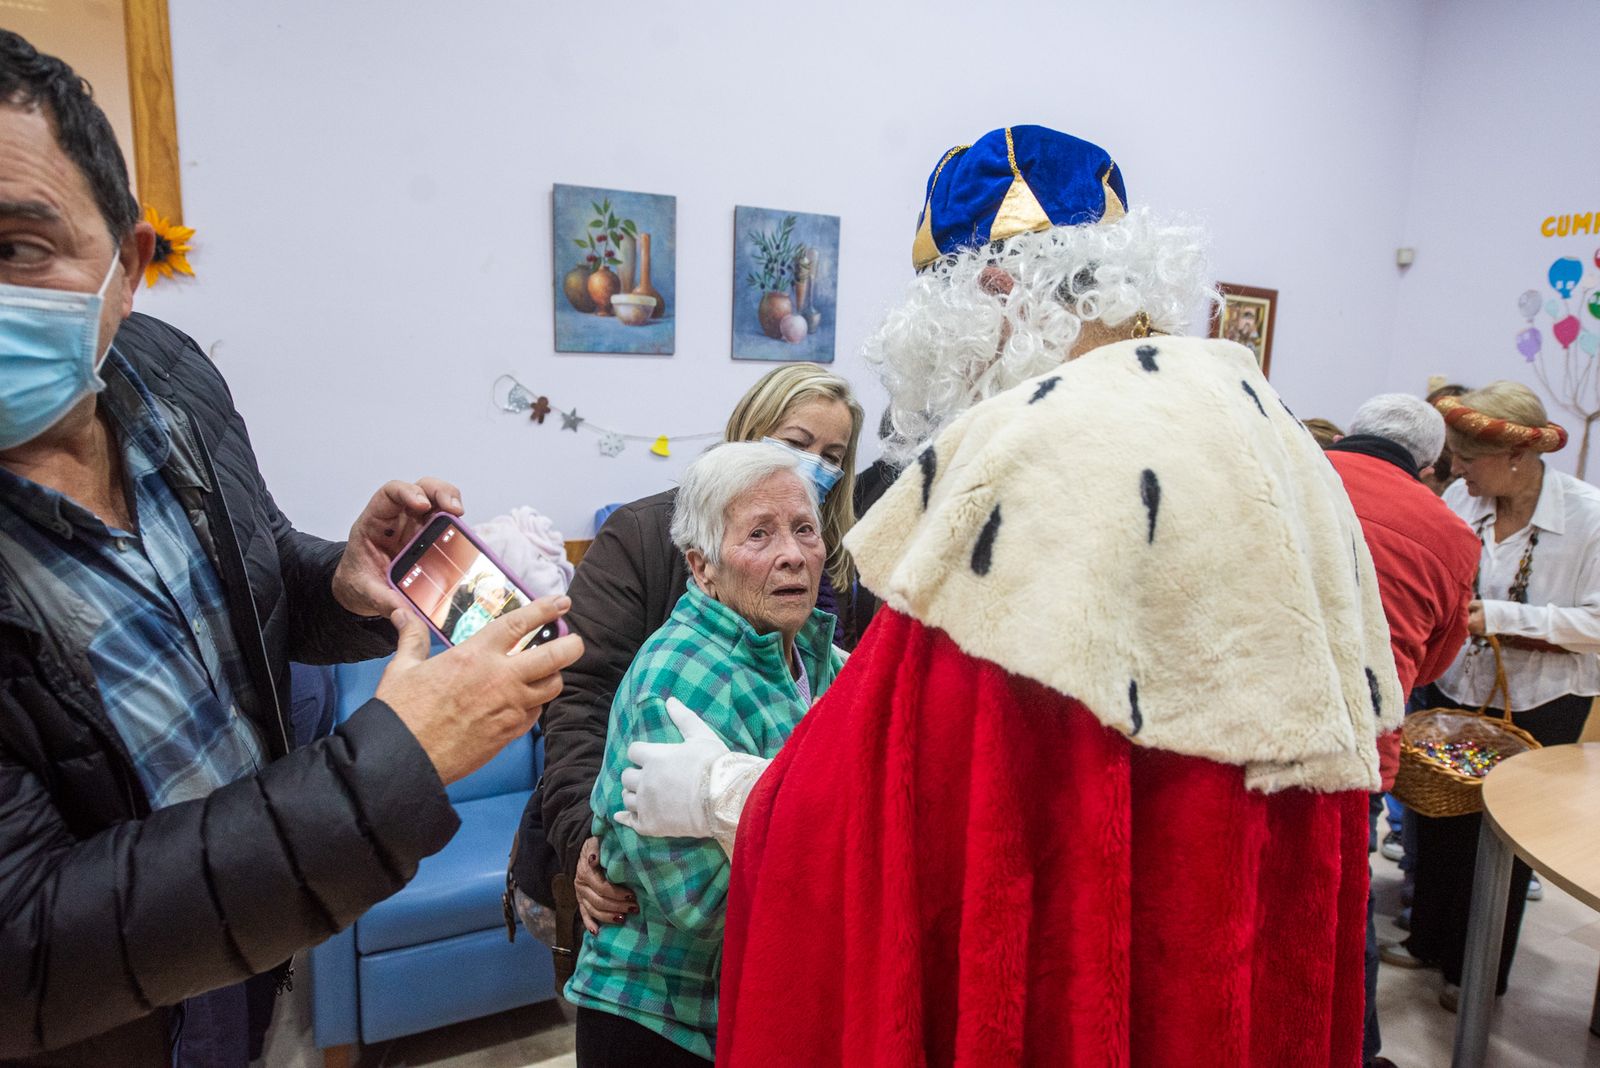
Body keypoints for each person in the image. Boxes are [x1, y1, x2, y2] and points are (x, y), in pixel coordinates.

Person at [618, 125, 1399, 1066]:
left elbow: (916, 806)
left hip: (1077, 986)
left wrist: (720, 790)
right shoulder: (1275, 429)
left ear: (989, 295)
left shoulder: (1037, 448)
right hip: (1232, 965)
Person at [0, 32, 582, 1066]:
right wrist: (401, 754)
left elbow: (251, 573)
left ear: (128, 267)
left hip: (253, 955)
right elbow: (26, 946)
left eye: (16, 249)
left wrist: (346, 583)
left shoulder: (166, 379)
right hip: (106, 1028)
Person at [533, 364, 863, 967]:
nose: (814, 464)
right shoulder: (642, 534)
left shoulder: (837, 558)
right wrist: (591, 835)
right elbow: (579, 697)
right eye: (795, 444)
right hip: (652, 867)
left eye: (832, 454)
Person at [564, 442, 845, 1066]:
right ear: (702, 567)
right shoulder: (680, 677)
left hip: (745, 1008)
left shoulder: (818, 655)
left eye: (804, 530)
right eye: (760, 535)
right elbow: (702, 904)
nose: (793, 554)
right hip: (663, 1020)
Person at [1385, 381, 1600, 1010]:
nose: (1456, 469)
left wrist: (1502, 618)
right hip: (1461, 687)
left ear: (1518, 458)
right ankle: (1428, 941)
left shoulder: (1589, 519)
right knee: (1442, 820)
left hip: (1544, 701)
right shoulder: (1460, 496)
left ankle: (1476, 973)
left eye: (1469, 459)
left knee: (1505, 842)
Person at [1324, 393, 1479, 1067]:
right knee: (1342, 895)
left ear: (1354, 430)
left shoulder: (1289, 469)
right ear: (1428, 462)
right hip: (1359, 736)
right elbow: (1437, 662)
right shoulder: (1452, 534)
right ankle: (1357, 1048)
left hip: (1250, 713)